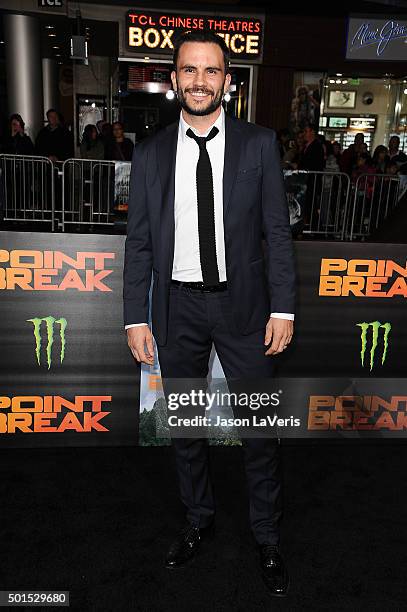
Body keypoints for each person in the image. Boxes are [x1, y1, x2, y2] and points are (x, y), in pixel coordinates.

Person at [123, 29, 295, 598]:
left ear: (227, 79)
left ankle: (266, 535)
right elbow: (140, 245)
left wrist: (283, 307)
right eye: (189, 70)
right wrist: (135, 317)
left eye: (211, 70)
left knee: (259, 433)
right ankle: (198, 521)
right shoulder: (149, 155)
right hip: (178, 310)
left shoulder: (259, 144)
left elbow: (276, 231)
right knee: (187, 430)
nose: (200, 80)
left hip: (245, 310)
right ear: (175, 80)